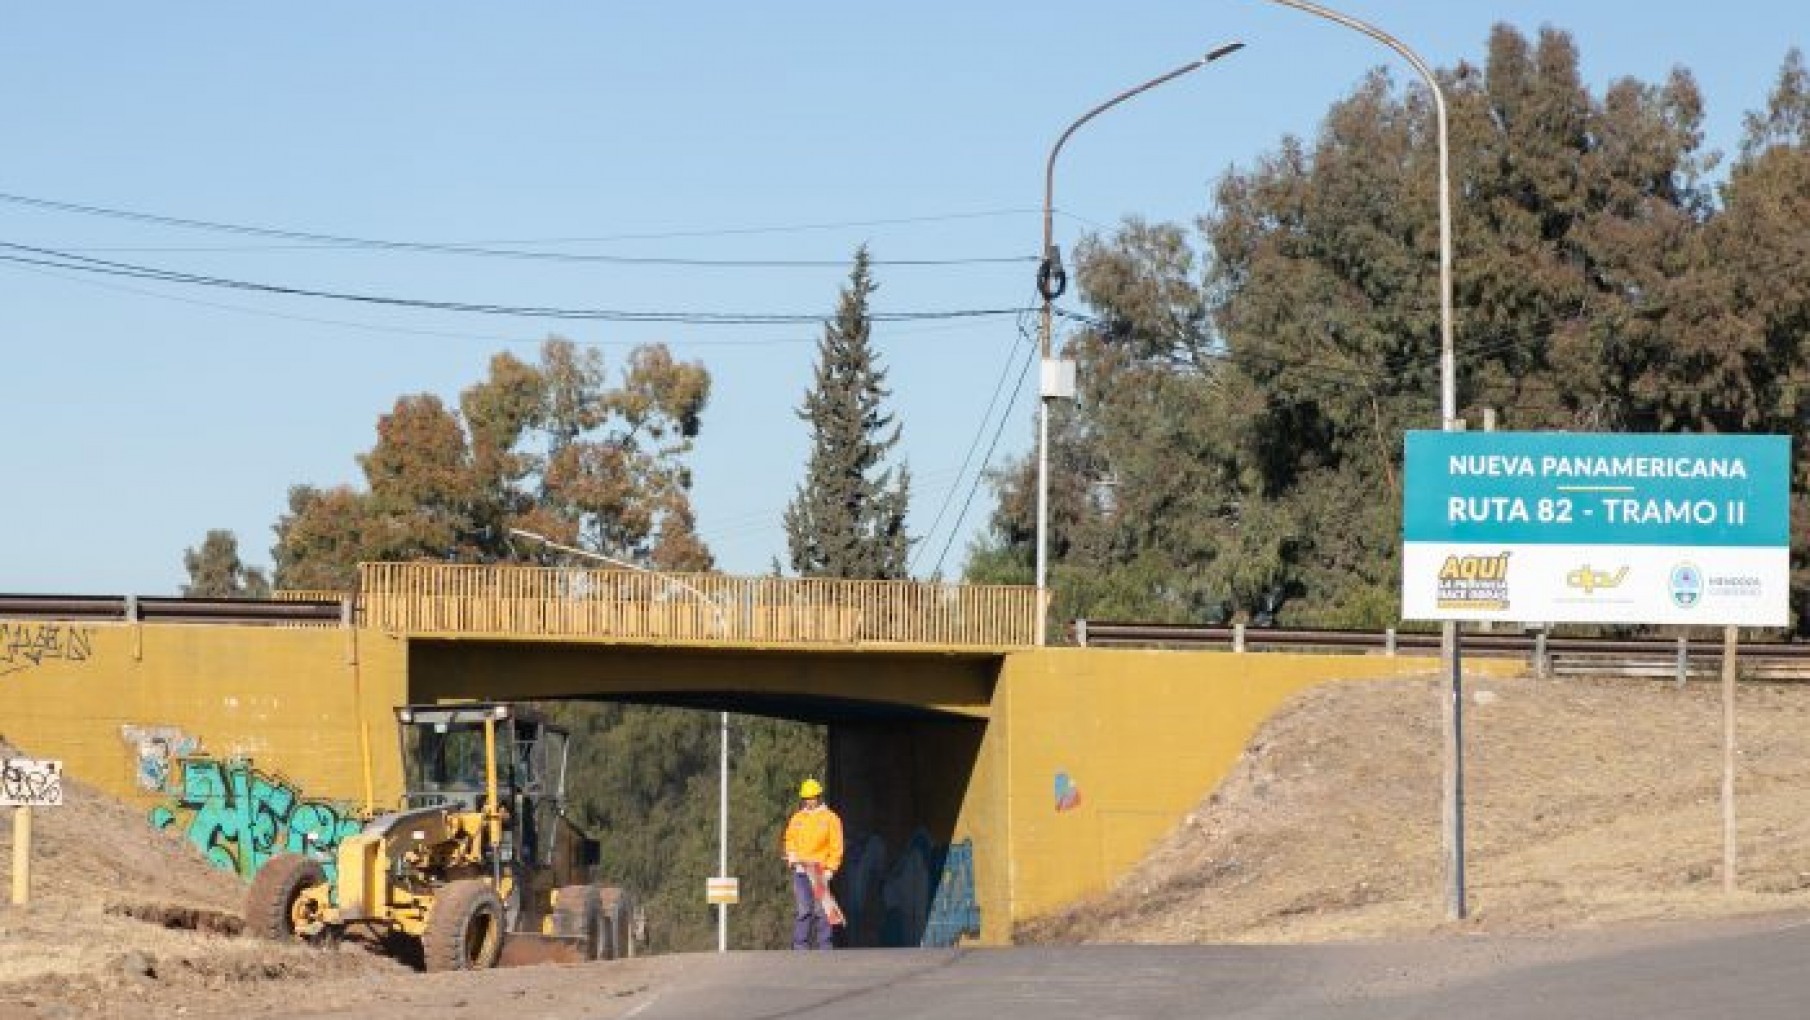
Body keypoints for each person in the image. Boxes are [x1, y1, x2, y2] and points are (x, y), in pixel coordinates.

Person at [782, 777, 844, 950]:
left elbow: (836, 846)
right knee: (804, 910)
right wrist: (791, 853)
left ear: (819, 797)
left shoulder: (830, 819)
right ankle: (800, 946)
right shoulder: (797, 818)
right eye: (807, 798)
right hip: (801, 871)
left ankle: (825, 946)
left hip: (819, 871)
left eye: (813, 797)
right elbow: (789, 839)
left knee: (822, 911)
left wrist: (831, 869)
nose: (810, 801)